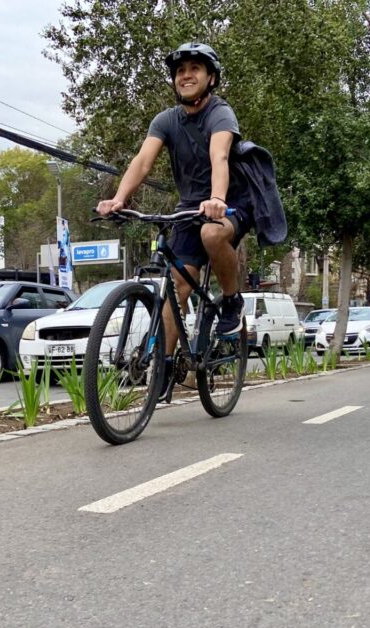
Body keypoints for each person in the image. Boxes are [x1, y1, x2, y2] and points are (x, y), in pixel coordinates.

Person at [97, 42, 254, 400]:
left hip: (230, 203)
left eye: (195, 69)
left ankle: (231, 300)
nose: (186, 75)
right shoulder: (166, 120)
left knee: (214, 235)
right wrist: (120, 199)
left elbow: (219, 157)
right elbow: (142, 161)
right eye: (180, 71)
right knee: (177, 289)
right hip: (189, 207)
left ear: (210, 77)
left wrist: (217, 199)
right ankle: (163, 367)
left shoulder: (220, 114)